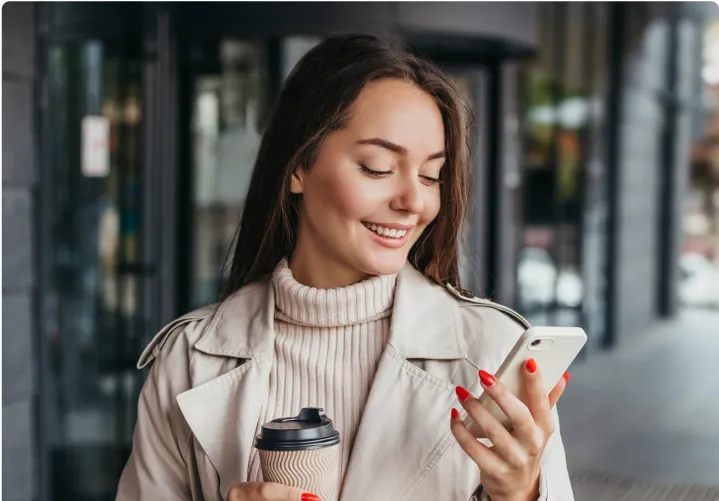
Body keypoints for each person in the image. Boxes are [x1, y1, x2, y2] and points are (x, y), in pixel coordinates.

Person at [116, 33, 574, 501]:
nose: (414, 201)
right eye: (377, 167)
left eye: (431, 175)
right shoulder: (189, 360)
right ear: (298, 166)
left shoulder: (492, 353)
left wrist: (523, 493)